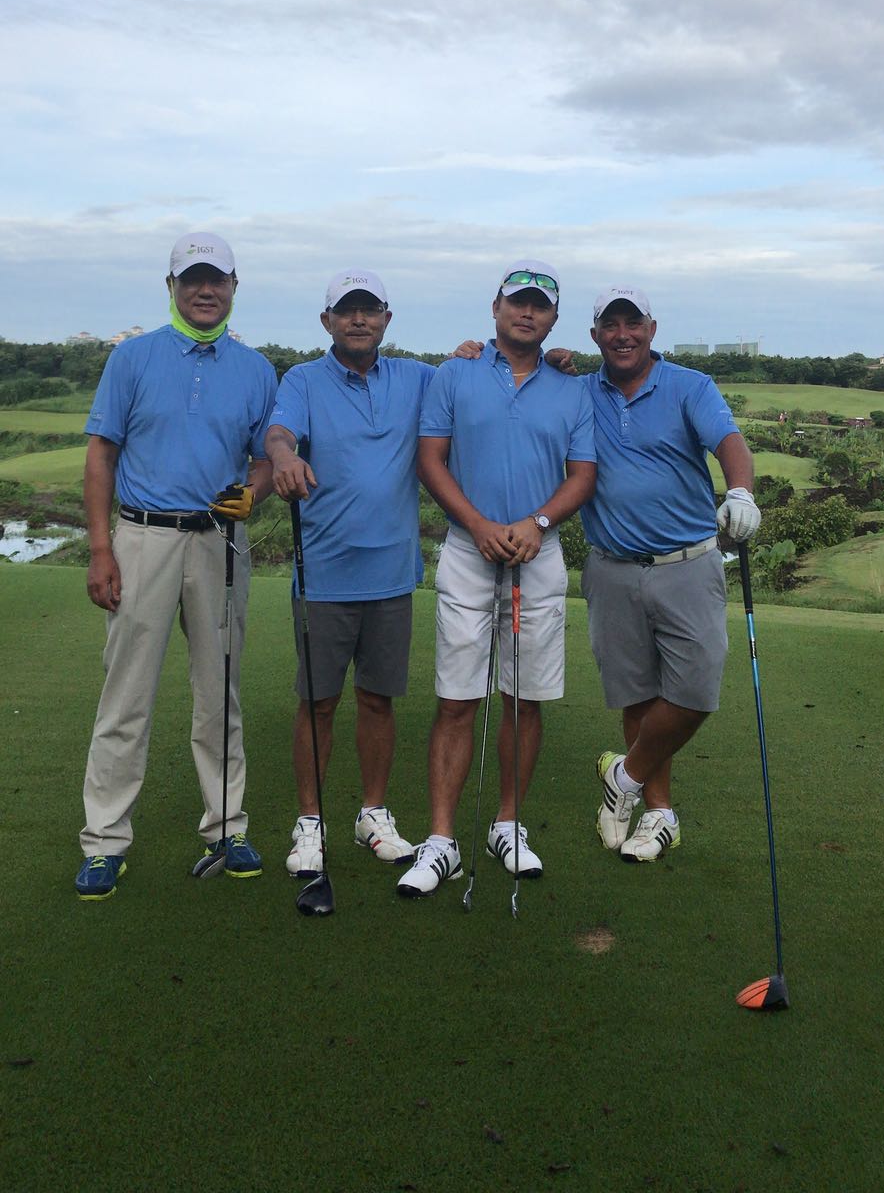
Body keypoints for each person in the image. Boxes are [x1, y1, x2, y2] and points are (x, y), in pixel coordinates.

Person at [76, 233, 276, 899]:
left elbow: (265, 459)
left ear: (234, 286)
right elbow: (102, 454)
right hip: (142, 537)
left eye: (217, 279)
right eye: (192, 279)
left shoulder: (255, 369)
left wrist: (255, 491)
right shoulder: (131, 358)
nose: (205, 290)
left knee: (220, 692)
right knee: (126, 694)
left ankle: (227, 827)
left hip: (220, 539)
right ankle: (105, 841)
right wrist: (100, 549)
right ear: (172, 287)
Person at [397, 263, 597, 897]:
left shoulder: (573, 389)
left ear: (554, 319)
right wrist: (479, 524)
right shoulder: (454, 373)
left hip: (539, 553)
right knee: (457, 698)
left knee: (524, 697)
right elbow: (431, 460)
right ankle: (441, 841)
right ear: (495, 307)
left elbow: (583, 475)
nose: (527, 312)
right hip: (466, 549)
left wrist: (538, 523)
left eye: (539, 305)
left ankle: (507, 825)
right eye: (517, 302)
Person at [579, 286, 761, 862]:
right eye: (611, 325)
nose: (623, 335)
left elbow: (729, 442)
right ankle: (658, 815)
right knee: (637, 694)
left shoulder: (689, 385)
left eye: (633, 323)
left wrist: (739, 491)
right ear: (595, 335)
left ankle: (624, 777)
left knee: (695, 692)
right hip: (611, 567)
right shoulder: (580, 390)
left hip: (687, 564)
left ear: (652, 329)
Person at [265, 269, 435, 877]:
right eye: (346, 310)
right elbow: (279, 431)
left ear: (387, 318)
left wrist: (489, 352)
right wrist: (283, 455)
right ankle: (310, 821)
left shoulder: (417, 377)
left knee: (378, 700)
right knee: (317, 702)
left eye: (369, 310)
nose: (358, 319)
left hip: (391, 573)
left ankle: (373, 814)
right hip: (324, 574)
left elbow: (474, 386)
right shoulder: (303, 379)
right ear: (327, 320)